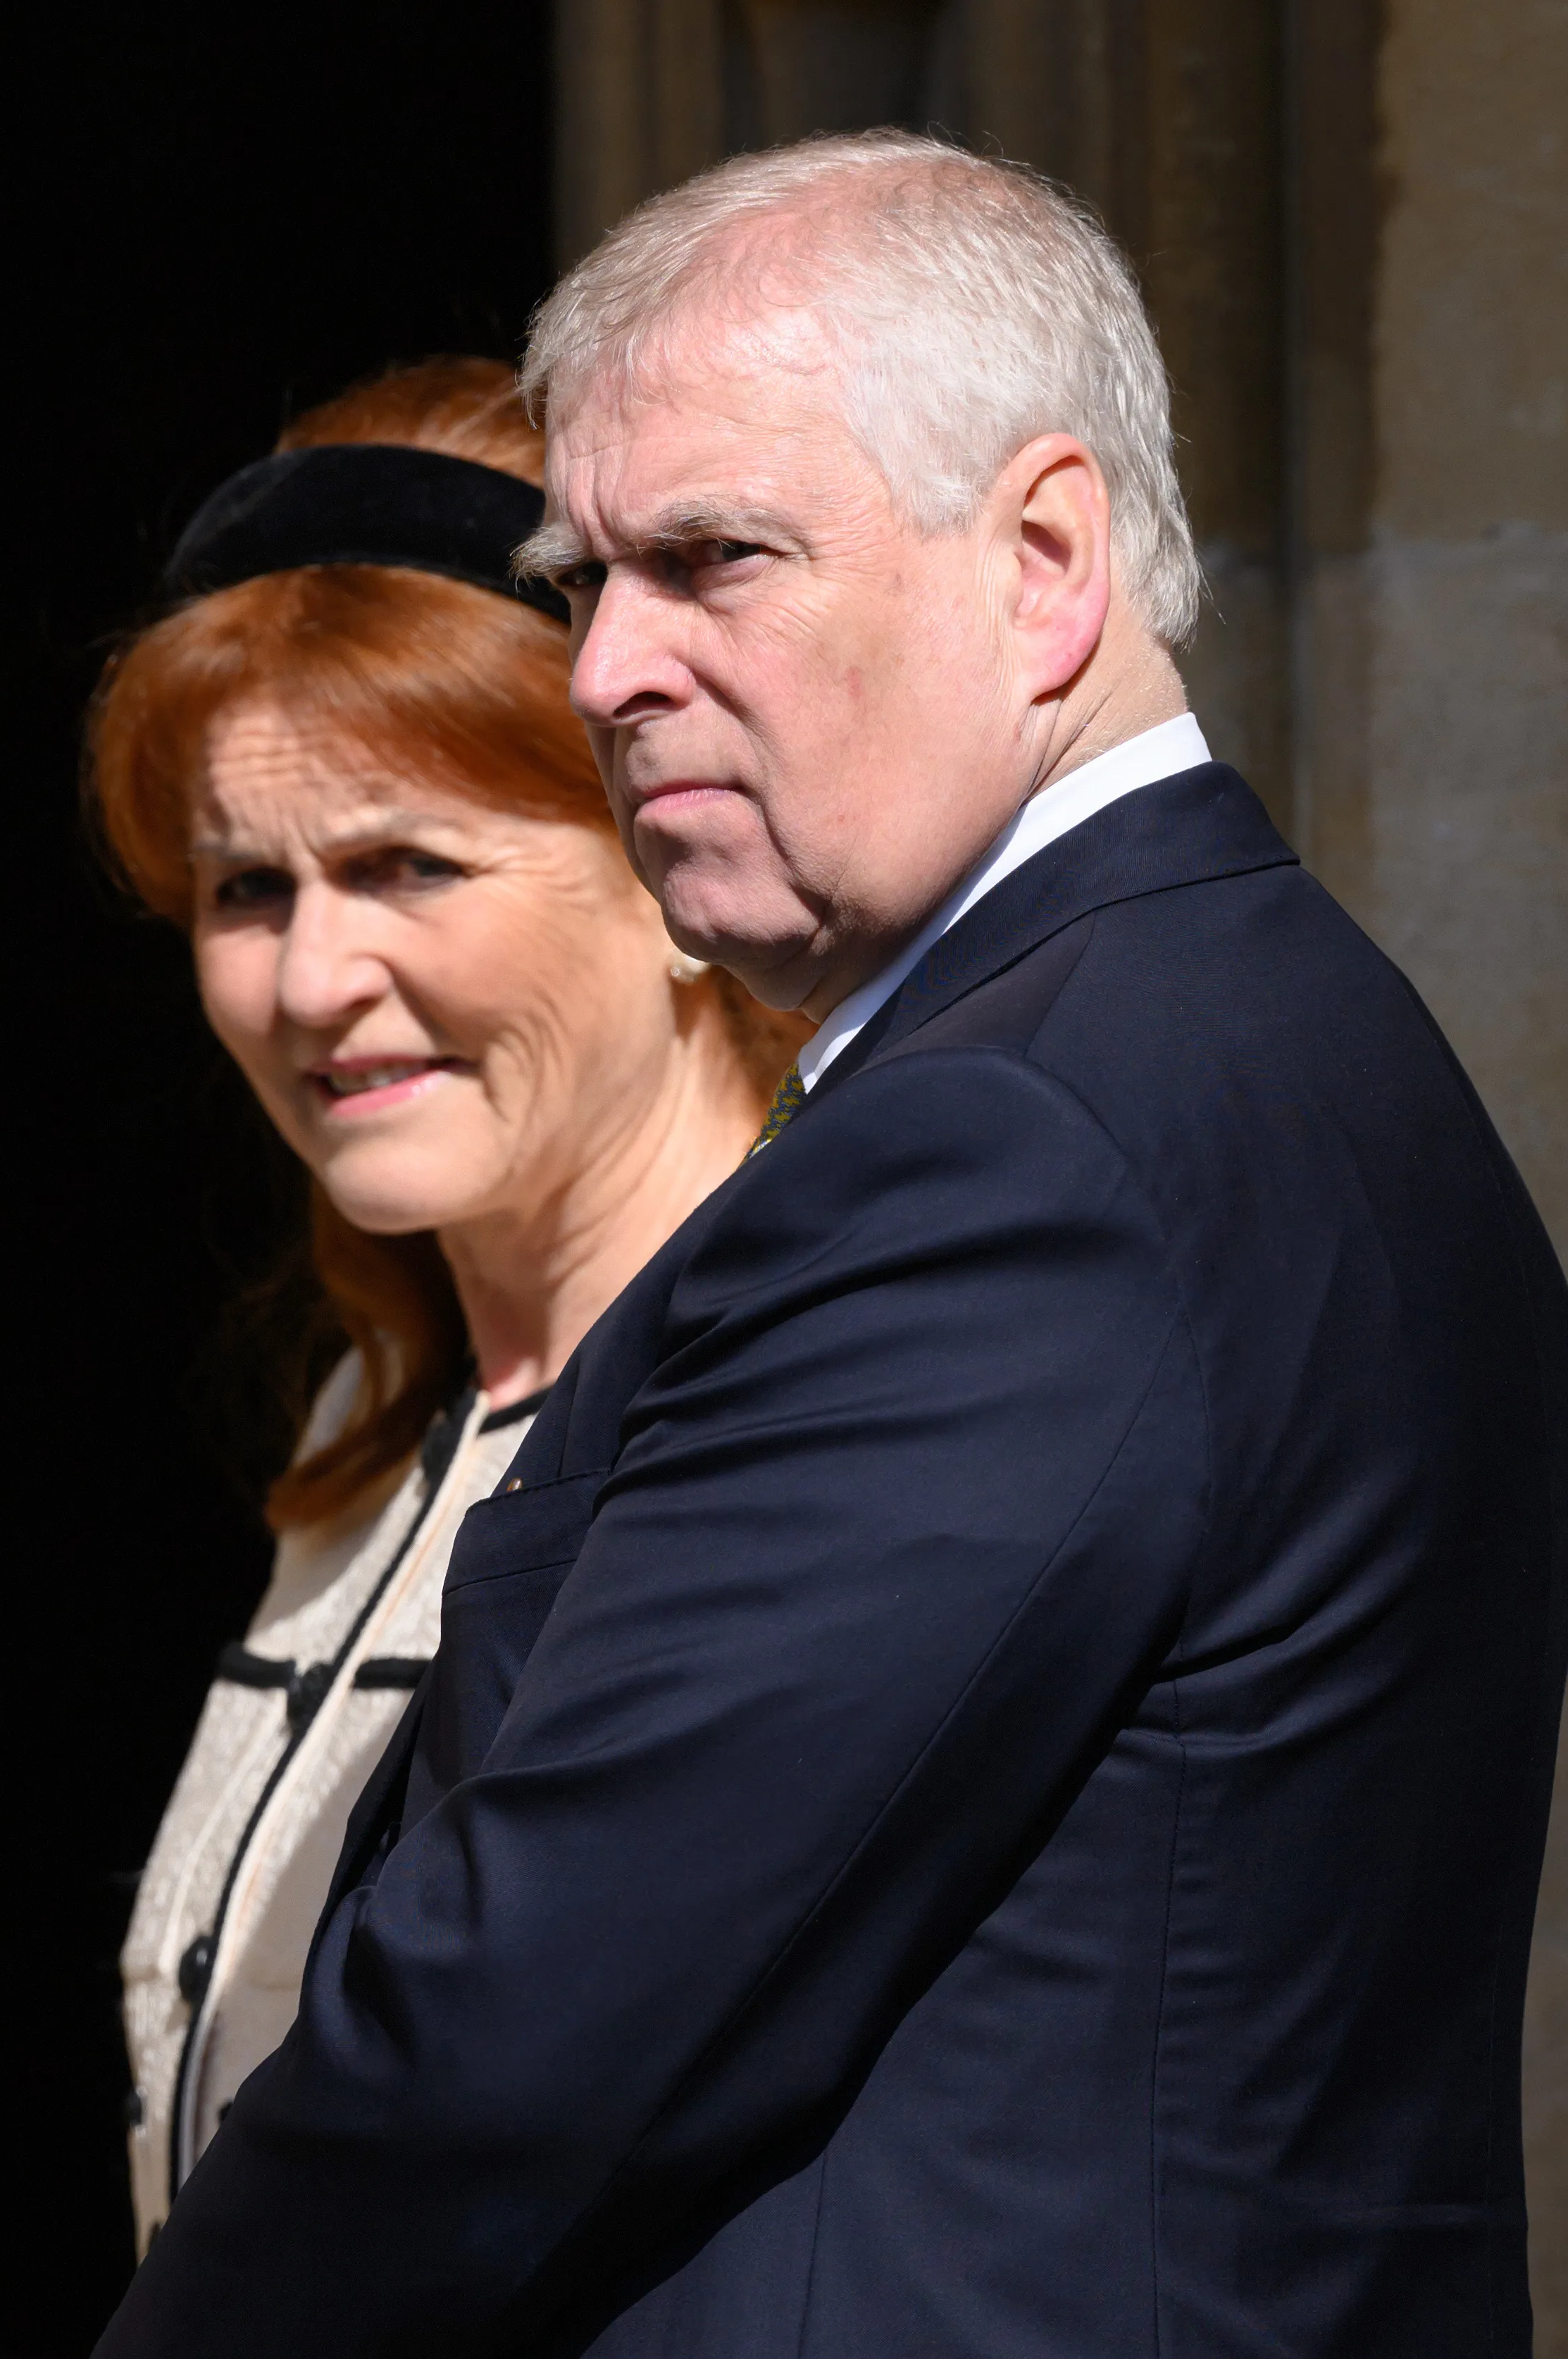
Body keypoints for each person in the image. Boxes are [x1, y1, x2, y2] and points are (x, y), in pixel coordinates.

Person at [97, 136, 1568, 2359]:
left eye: (711, 560)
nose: (609, 669)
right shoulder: (1235, 1033)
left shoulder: (1019, 1145)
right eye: (589, 578)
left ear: (1046, 556)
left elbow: (516, 2033)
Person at [87, 357, 803, 2254]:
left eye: (409, 862)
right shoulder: (371, 1411)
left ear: (671, 864)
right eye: (249, 887)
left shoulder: (797, 1398)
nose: (314, 975)